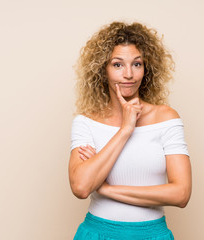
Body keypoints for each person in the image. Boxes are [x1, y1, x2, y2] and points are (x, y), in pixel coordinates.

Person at [69, 21, 192, 240]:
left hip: (152, 234)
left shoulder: (166, 118)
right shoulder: (86, 122)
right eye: (117, 64)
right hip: (98, 233)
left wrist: (107, 190)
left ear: (146, 69)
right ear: (103, 70)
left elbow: (181, 194)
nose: (128, 74)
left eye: (137, 64)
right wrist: (126, 129)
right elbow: (80, 187)